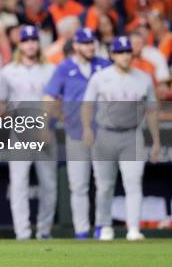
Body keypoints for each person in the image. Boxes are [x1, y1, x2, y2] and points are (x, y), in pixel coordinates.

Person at [81, 36, 161, 241]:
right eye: (120, 52)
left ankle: (133, 228)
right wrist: (87, 129)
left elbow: (151, 111)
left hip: (132, 134)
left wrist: (156, 140)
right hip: (105, 134)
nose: (125, 56)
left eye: (128, 52)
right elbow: (87, 105)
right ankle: (104, 225)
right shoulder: (100, 77)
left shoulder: (143, 78)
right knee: (105, 185)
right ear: (112, 55)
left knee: (133, 183)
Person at [43, 28, 111, 239]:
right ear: (76, 45)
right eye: (86, 43)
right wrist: (48, 123)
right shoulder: (65, 68)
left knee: (104, 183)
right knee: (78, 184)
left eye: (93, 42)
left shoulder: (104, 65)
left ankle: (102, 226)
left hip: (102, 132)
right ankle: (81, 230)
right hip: (76, 133)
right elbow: (48, 98)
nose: (90, 46)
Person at [0, 25, 56, 240]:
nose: (30, 44)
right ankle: (22, 233)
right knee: (18, 184)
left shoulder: (51, 69)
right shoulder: (9, 70)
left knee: (49, 184)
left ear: (38, 43)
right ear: (19, 44)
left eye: (33, 40)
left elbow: (57, 103)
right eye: (26, 41)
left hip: (45, 129)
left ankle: (44, 231)